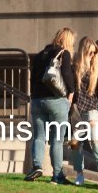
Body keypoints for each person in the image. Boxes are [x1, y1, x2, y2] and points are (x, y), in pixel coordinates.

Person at [26, 26, 77, 183]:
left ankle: (36, 167)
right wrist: (71, 94)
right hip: (56, 100)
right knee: (57, 139)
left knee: (39, 137)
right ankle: (57, 175)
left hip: (37, 101)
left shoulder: (40, 55)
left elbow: (33, 78)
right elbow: (67, 75)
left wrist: (34, 97)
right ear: (67, 41)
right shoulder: (64, 53)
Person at [71, 37, 98, 186]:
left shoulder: (97, 68)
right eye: (90, 52)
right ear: (83, 51)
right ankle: (79, 174)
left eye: (94, 53)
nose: (93, 56)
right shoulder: (75, 66)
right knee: (75, 143)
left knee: (94, 140)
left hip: (91, 108)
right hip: (76, 109)